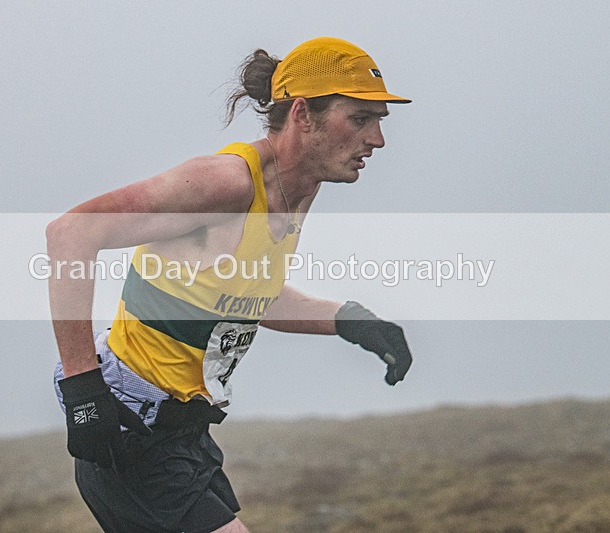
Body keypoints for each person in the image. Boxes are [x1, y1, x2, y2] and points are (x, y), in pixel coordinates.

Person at [47, 36, 414, 533]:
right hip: (128, 431)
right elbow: (71, 234)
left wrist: (350, 322)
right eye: (359, 119)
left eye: (379, 122)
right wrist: (82, 390)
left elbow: (245, 295)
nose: (377, 140)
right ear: (303, 114)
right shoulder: (225, 183)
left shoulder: (295, 192)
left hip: (184, 435)